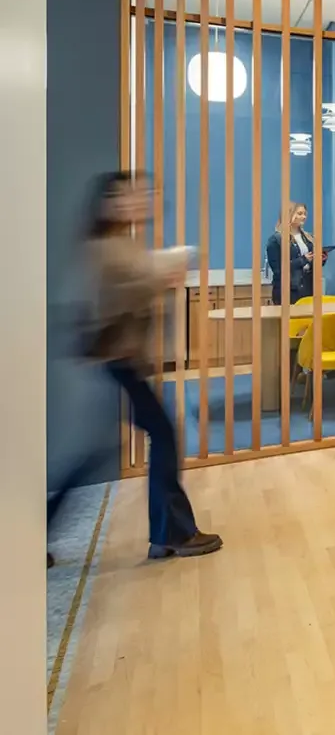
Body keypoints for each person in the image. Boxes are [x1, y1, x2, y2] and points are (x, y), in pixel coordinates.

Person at [78, 172, 223, 559]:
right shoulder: (106, 248)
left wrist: (159, 277)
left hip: (124, 362)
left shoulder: (120, 244)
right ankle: (172, 531)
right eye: (131, 195)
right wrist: (160, 279)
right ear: (109, 202)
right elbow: (115, 300)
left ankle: (169, 530)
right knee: (161, 436)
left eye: (145, 194)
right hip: (119, 361)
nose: (141, 201)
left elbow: (134, 289)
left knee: (96, 452)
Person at [264, 201, 321, 305]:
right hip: (288, 291)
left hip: (308, 288)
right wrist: (303, 260)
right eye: (299, 213)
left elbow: (311, 264)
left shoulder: (309, 238)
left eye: (305, 214)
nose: (303, 217)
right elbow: (278, 270)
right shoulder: (276, 240)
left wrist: (320, 259)